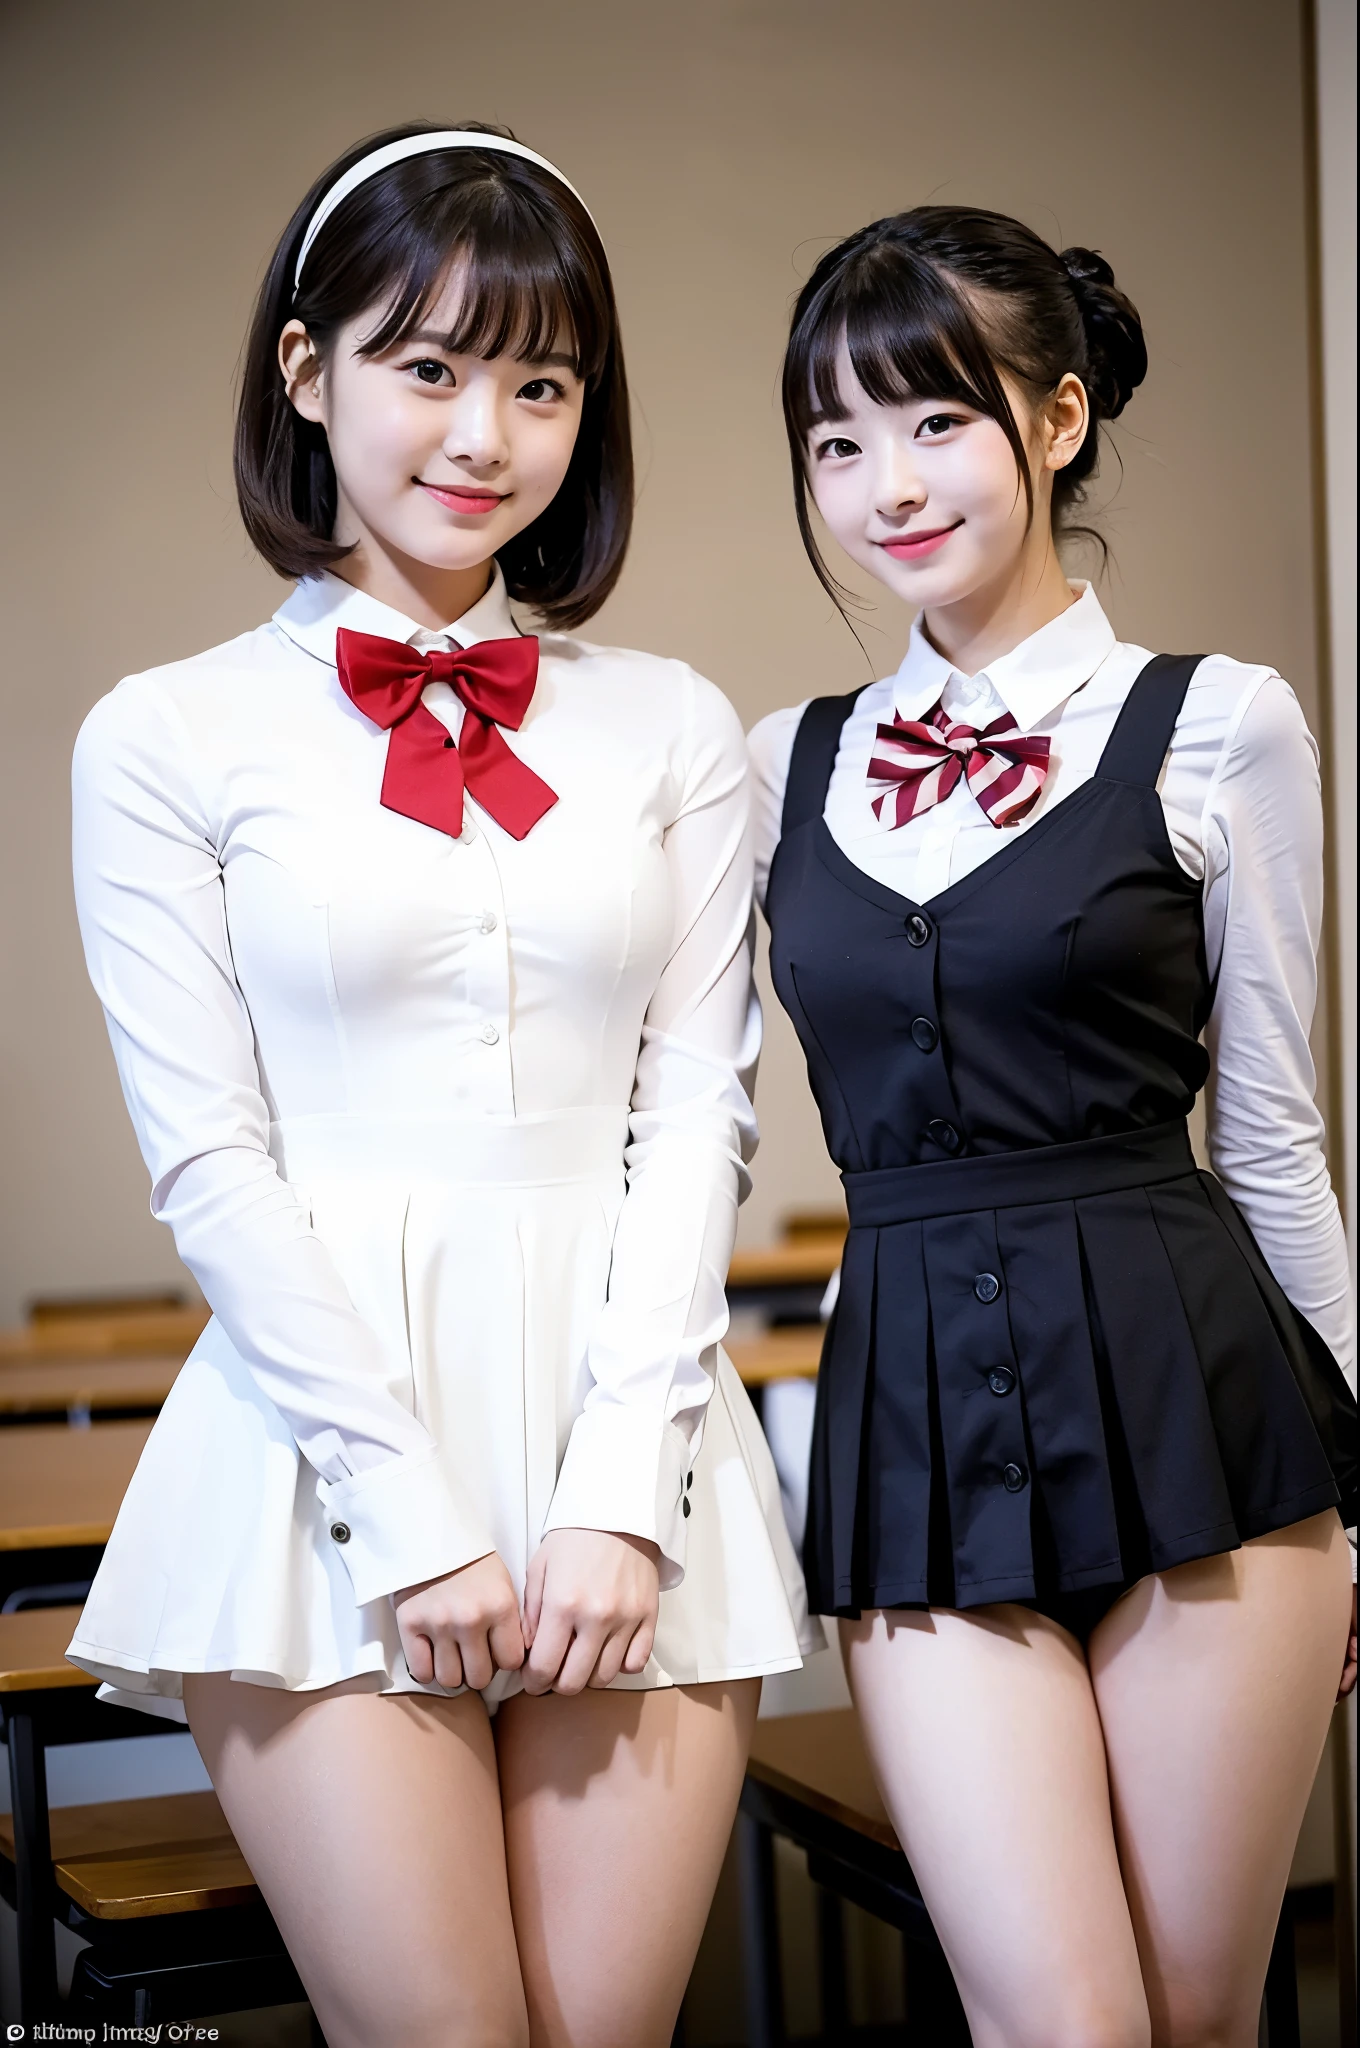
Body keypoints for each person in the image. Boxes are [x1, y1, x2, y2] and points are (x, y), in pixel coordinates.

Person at [69, 121, 819, 2048]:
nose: (484, 431)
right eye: (428, 366)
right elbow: (211, 1160)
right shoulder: (165, 735)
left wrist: (615, 1493)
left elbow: (696, 1125)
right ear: (308, 375)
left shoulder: (667, 727)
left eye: (541, 383)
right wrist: (408, 1505)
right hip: (325, 1454)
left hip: (625, 1439)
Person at [749, 204, 1357, 2048]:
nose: (883, 485)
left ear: (1061, 417)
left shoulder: (1220, 724)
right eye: (835, 443)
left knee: (1198, 2015)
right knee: (1063, 2027)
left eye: (935, 420)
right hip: (912, 1429)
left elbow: (1271, 1141)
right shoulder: (780, 756)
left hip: (1210, 1422)